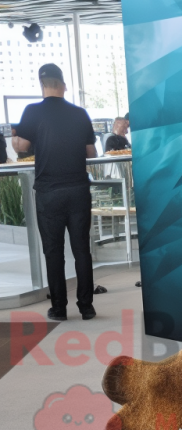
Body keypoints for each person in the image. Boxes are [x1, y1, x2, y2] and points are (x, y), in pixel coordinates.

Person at [12, 63, 97, 321]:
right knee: (81, 249)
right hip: (78, 189)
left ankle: (59, 308)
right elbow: (91, 152)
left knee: (53, 251)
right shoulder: (80, 113)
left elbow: (21, 147)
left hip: (49, 192)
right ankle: (86, 307)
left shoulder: (32, 111)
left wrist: (15, 138)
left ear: (42, 84)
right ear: (64, 85)